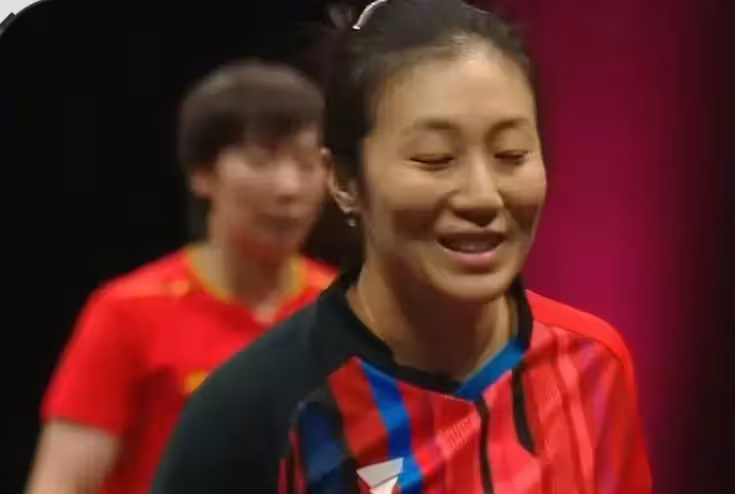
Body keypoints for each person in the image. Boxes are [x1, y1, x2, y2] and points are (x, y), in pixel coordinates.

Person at [151, 1, 652, 492]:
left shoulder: (593, 364)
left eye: (511, 154)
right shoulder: (251, 413)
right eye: (435, 158)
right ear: (344, 179)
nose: (483, 196)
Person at [25, 60, 336, 494]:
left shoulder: (346, 311)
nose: (289, 188)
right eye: (261, 160)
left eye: (307, 164)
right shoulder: (128, 312)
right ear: (202, 174)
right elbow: (59, 484)